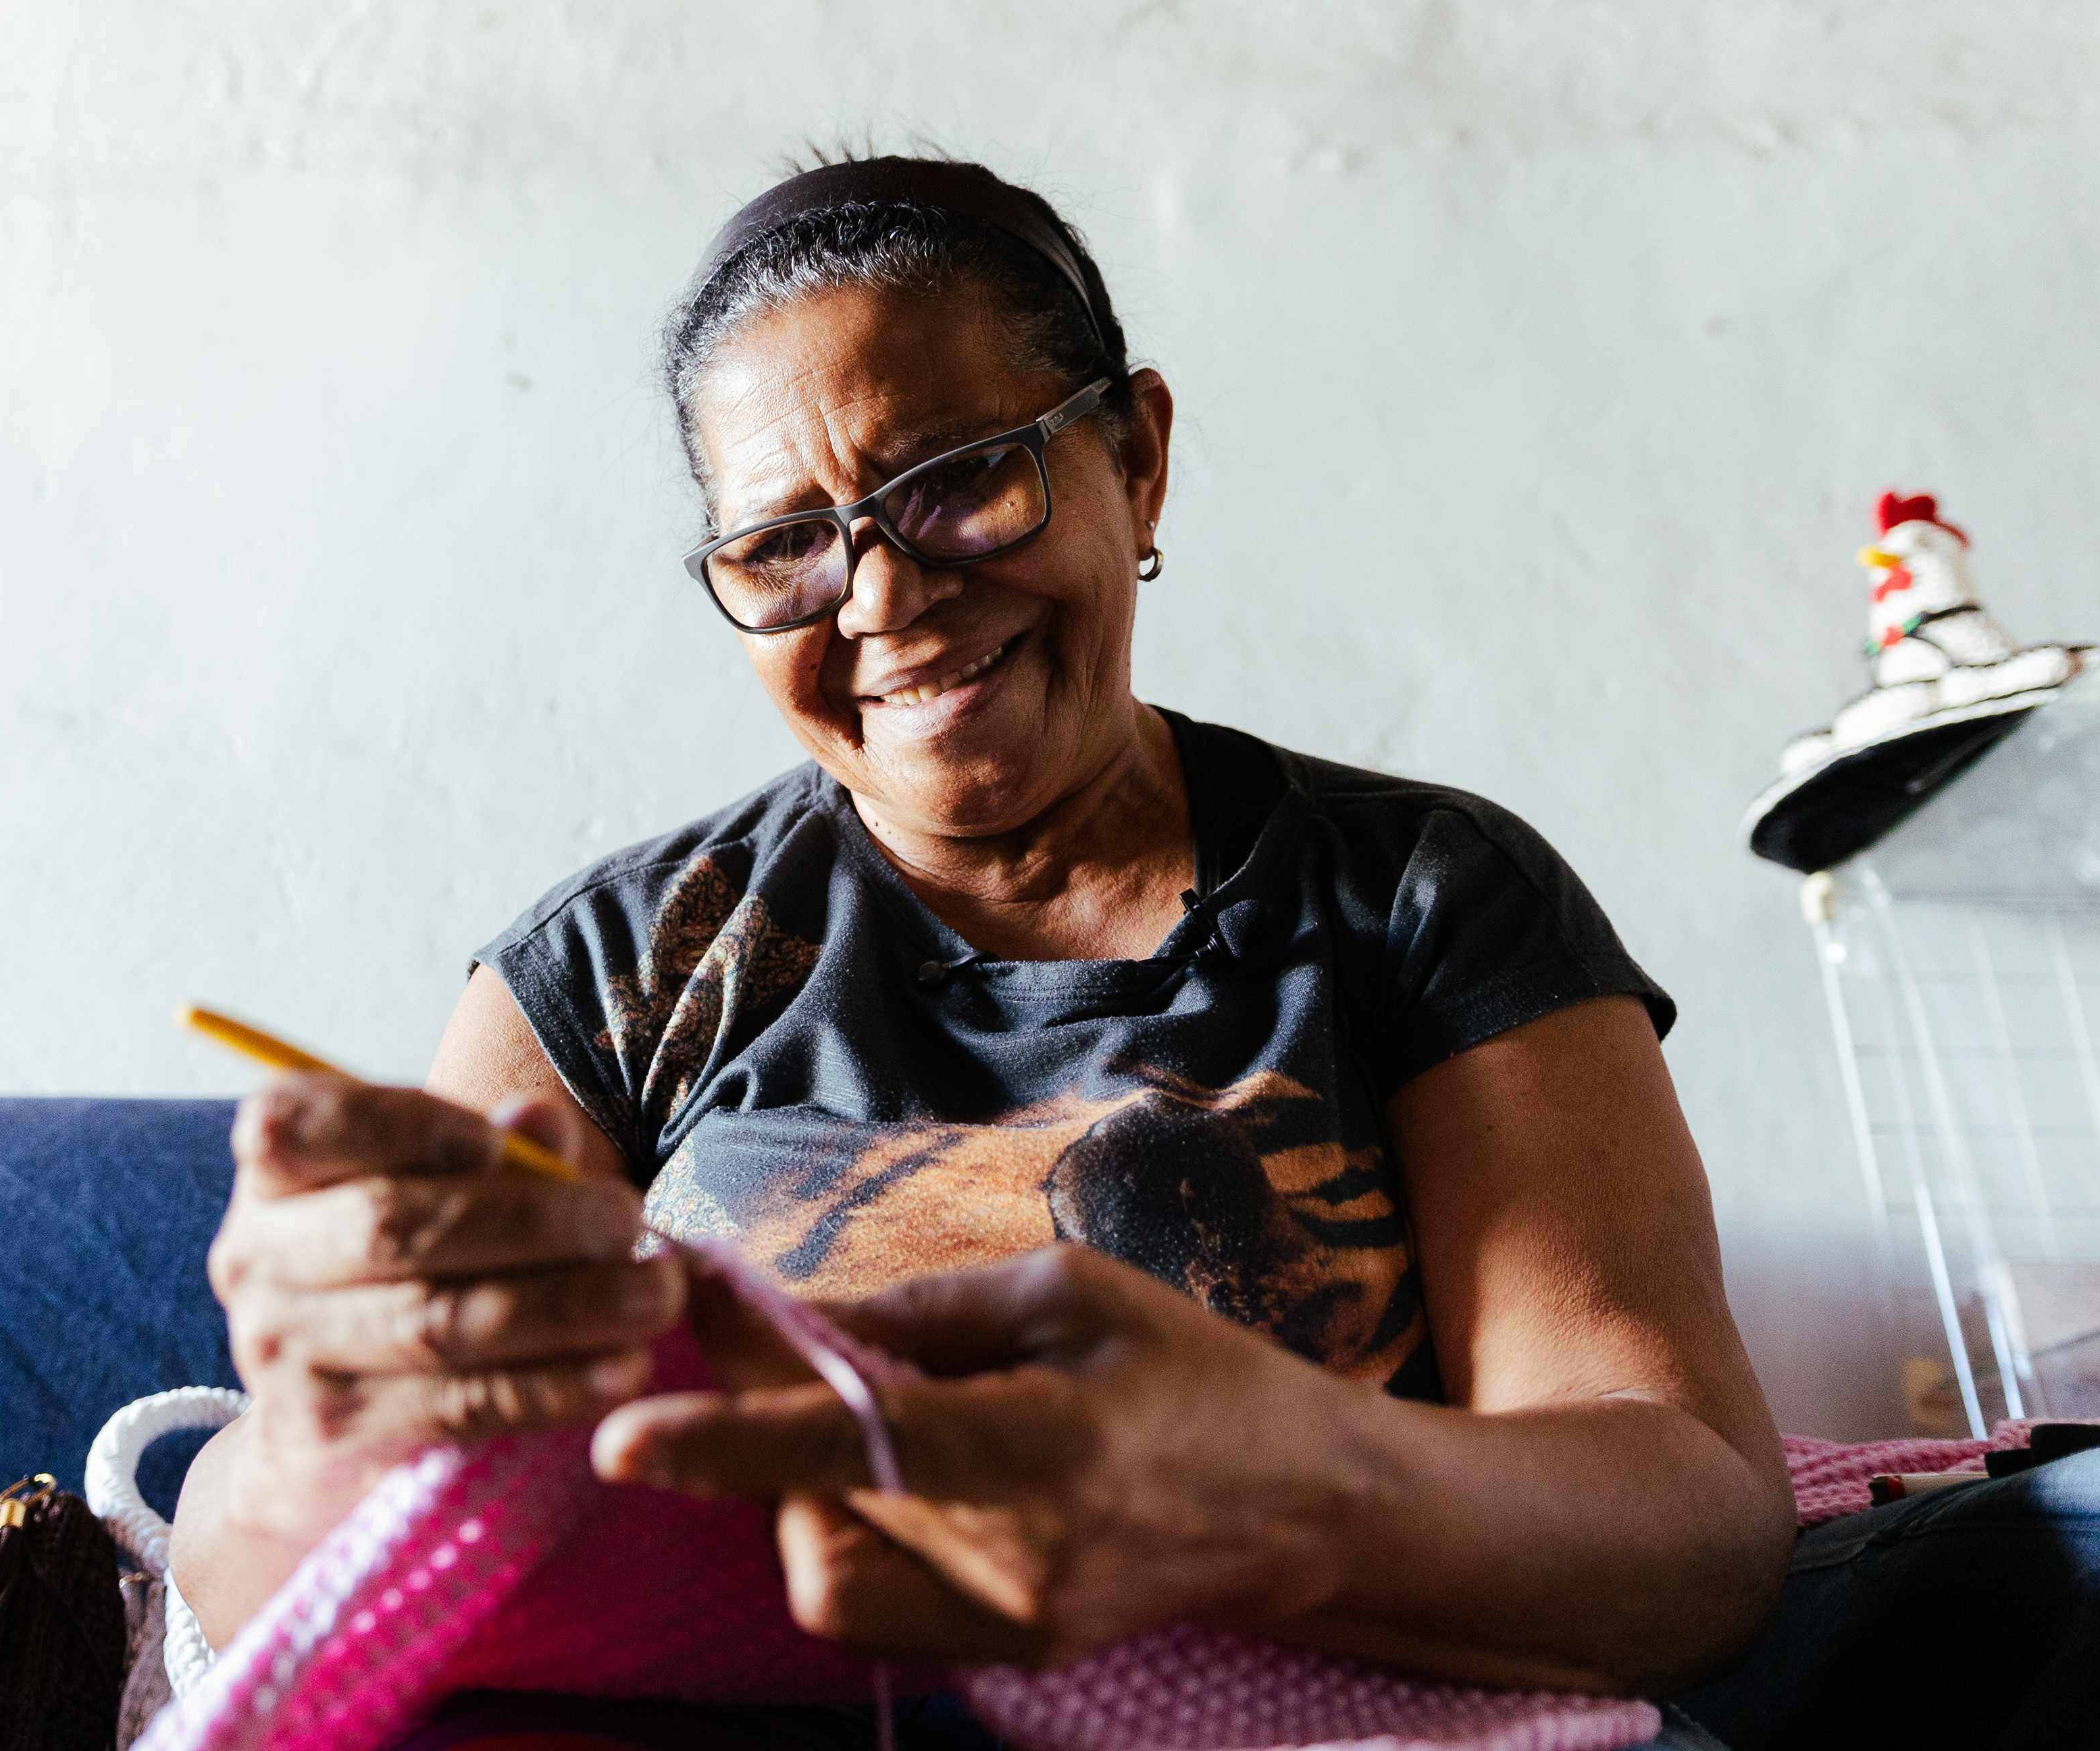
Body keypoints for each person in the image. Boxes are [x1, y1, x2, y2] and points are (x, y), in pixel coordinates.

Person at [165, 154, 1811, 1750]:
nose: (882, 598)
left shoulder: (1423, 898)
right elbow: (256, 1580)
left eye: (959, 478)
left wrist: (1272, 1492)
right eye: (783, 546)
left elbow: (1694, 1527)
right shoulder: (614, 970)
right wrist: (319, 1441)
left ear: (1137, 459)